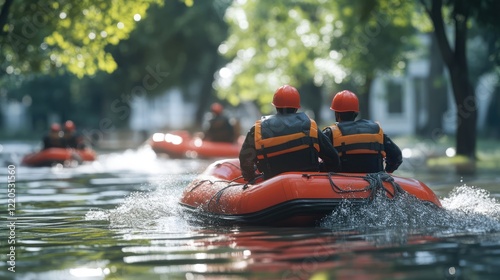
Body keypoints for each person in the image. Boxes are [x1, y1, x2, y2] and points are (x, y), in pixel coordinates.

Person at [239, 85, 341, 182]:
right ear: (297, 107)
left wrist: (252, 177)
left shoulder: (258, 129)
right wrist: (320, 172)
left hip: (271, 187)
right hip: (308, 185)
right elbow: (333, 159)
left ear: (275, 106)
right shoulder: (310, 126)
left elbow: (245, 160)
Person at [322, 90, 403, 173]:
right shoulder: (376, 130)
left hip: (340, 184)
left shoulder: (330, 133)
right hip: (375, 182)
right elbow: (397, 157)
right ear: (356, 113)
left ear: (337, 114)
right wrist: (388, 171)